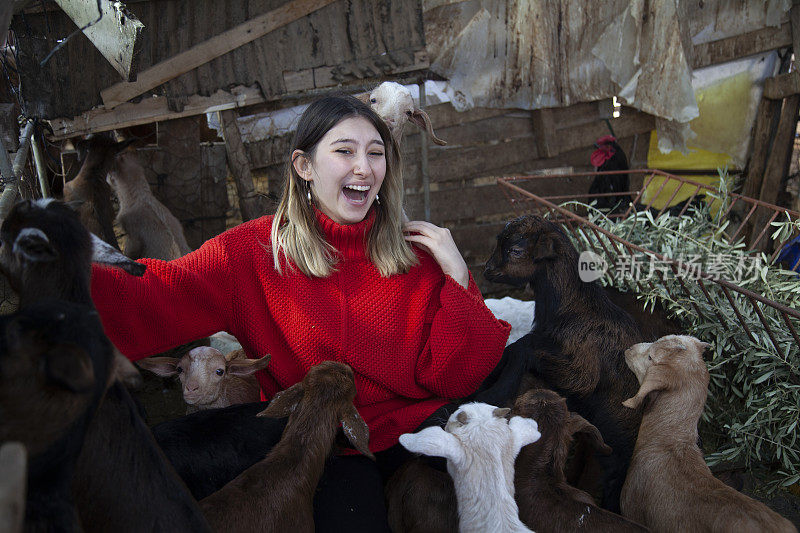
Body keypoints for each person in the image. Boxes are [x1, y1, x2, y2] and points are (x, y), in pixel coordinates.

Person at [90, 94, 511, 530]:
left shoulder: (418, 257)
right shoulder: (251, 255)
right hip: (328, 441)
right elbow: (159, 293)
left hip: (419, 429)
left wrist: (459, 278)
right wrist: (57, 269)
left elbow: (455, 377)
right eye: (344, 151)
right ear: (304, 166)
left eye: (376, 154)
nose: (364, 168)